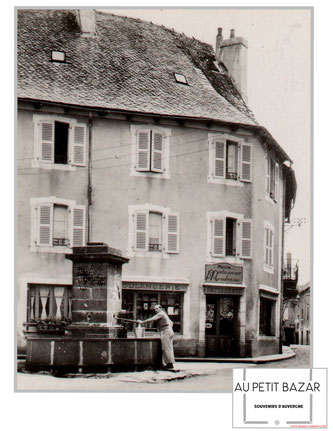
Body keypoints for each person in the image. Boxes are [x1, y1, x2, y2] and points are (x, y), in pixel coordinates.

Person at [138, 304, 175, 370]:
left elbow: (153, 318)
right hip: (168, 331)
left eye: (156, 309)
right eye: (154, 309)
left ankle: (170, 364)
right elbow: (171, 322)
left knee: (166, 347)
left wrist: (142, 322)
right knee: (168, 347)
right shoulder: (164, 314)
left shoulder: (161, 313)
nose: (155, 310)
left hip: (166, 331)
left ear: (160, 308)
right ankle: (169, 363)